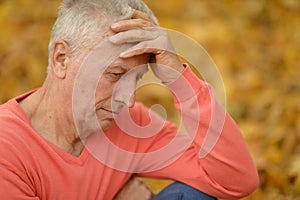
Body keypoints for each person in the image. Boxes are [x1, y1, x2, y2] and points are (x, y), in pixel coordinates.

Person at [0, 0, 259, 199]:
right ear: (61, 59)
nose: (130, 100)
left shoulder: (128, 124)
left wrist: (177, 77)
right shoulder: (6, 148)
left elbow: (235, 179)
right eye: (115, 74)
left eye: (136, 79)